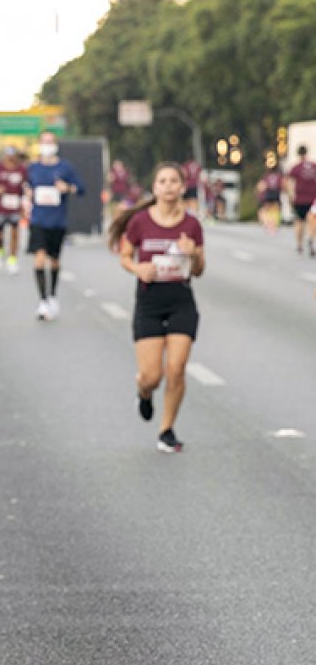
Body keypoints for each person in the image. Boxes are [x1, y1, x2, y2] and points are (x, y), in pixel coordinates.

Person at [109, 162, 205, 453]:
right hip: (149, 302)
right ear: (155, 188)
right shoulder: (140, 222)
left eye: (174, 181)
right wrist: (138, 269)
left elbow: (199, 270)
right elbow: (125, 256)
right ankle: (144, 392)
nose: (168, 186)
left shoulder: (191, 225)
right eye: (162, 181)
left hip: (180, 301)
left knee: (176, 369)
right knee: (153, 376)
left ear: (182, 187)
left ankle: (166, 429)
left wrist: (193, 253)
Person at [26, 131, 84, 320]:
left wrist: (67, 188)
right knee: (39, 259)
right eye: (44, 142)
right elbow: (27, 187)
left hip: (57, 221)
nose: (47, 145)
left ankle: (52, 295)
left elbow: (80, 188)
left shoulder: (65, 167)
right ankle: (43, 301)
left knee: (54, 260)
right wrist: (28, 194)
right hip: (38, 220)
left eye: (50, 142)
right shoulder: (33, 168)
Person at [0, 146, 26, 275]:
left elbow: (26, 185)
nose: (10, 157)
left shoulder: (21, 169)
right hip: (0, 205)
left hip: (15, 205)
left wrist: (24, 203)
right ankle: (1, 250)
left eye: (12, 154)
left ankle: (12, 260)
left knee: (15, 233)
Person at [286, 145, 316, 257]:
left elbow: (290, 184)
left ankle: (299, 245)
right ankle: (311, 237)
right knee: (313, 220)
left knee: (299, 221)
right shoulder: (314, 166)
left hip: (300, 199)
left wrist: (290, 198)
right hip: (313, 199)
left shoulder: (295, 168)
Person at [257, 161, 283, 234]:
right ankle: (275, 223)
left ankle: (267, 222)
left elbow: (262, 186)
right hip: (276, 193)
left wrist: (260, 195)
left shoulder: (266, 176)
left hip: (268, 193)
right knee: (276, 209)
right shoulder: (279, 176)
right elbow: (282, 185)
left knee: (266, 209)